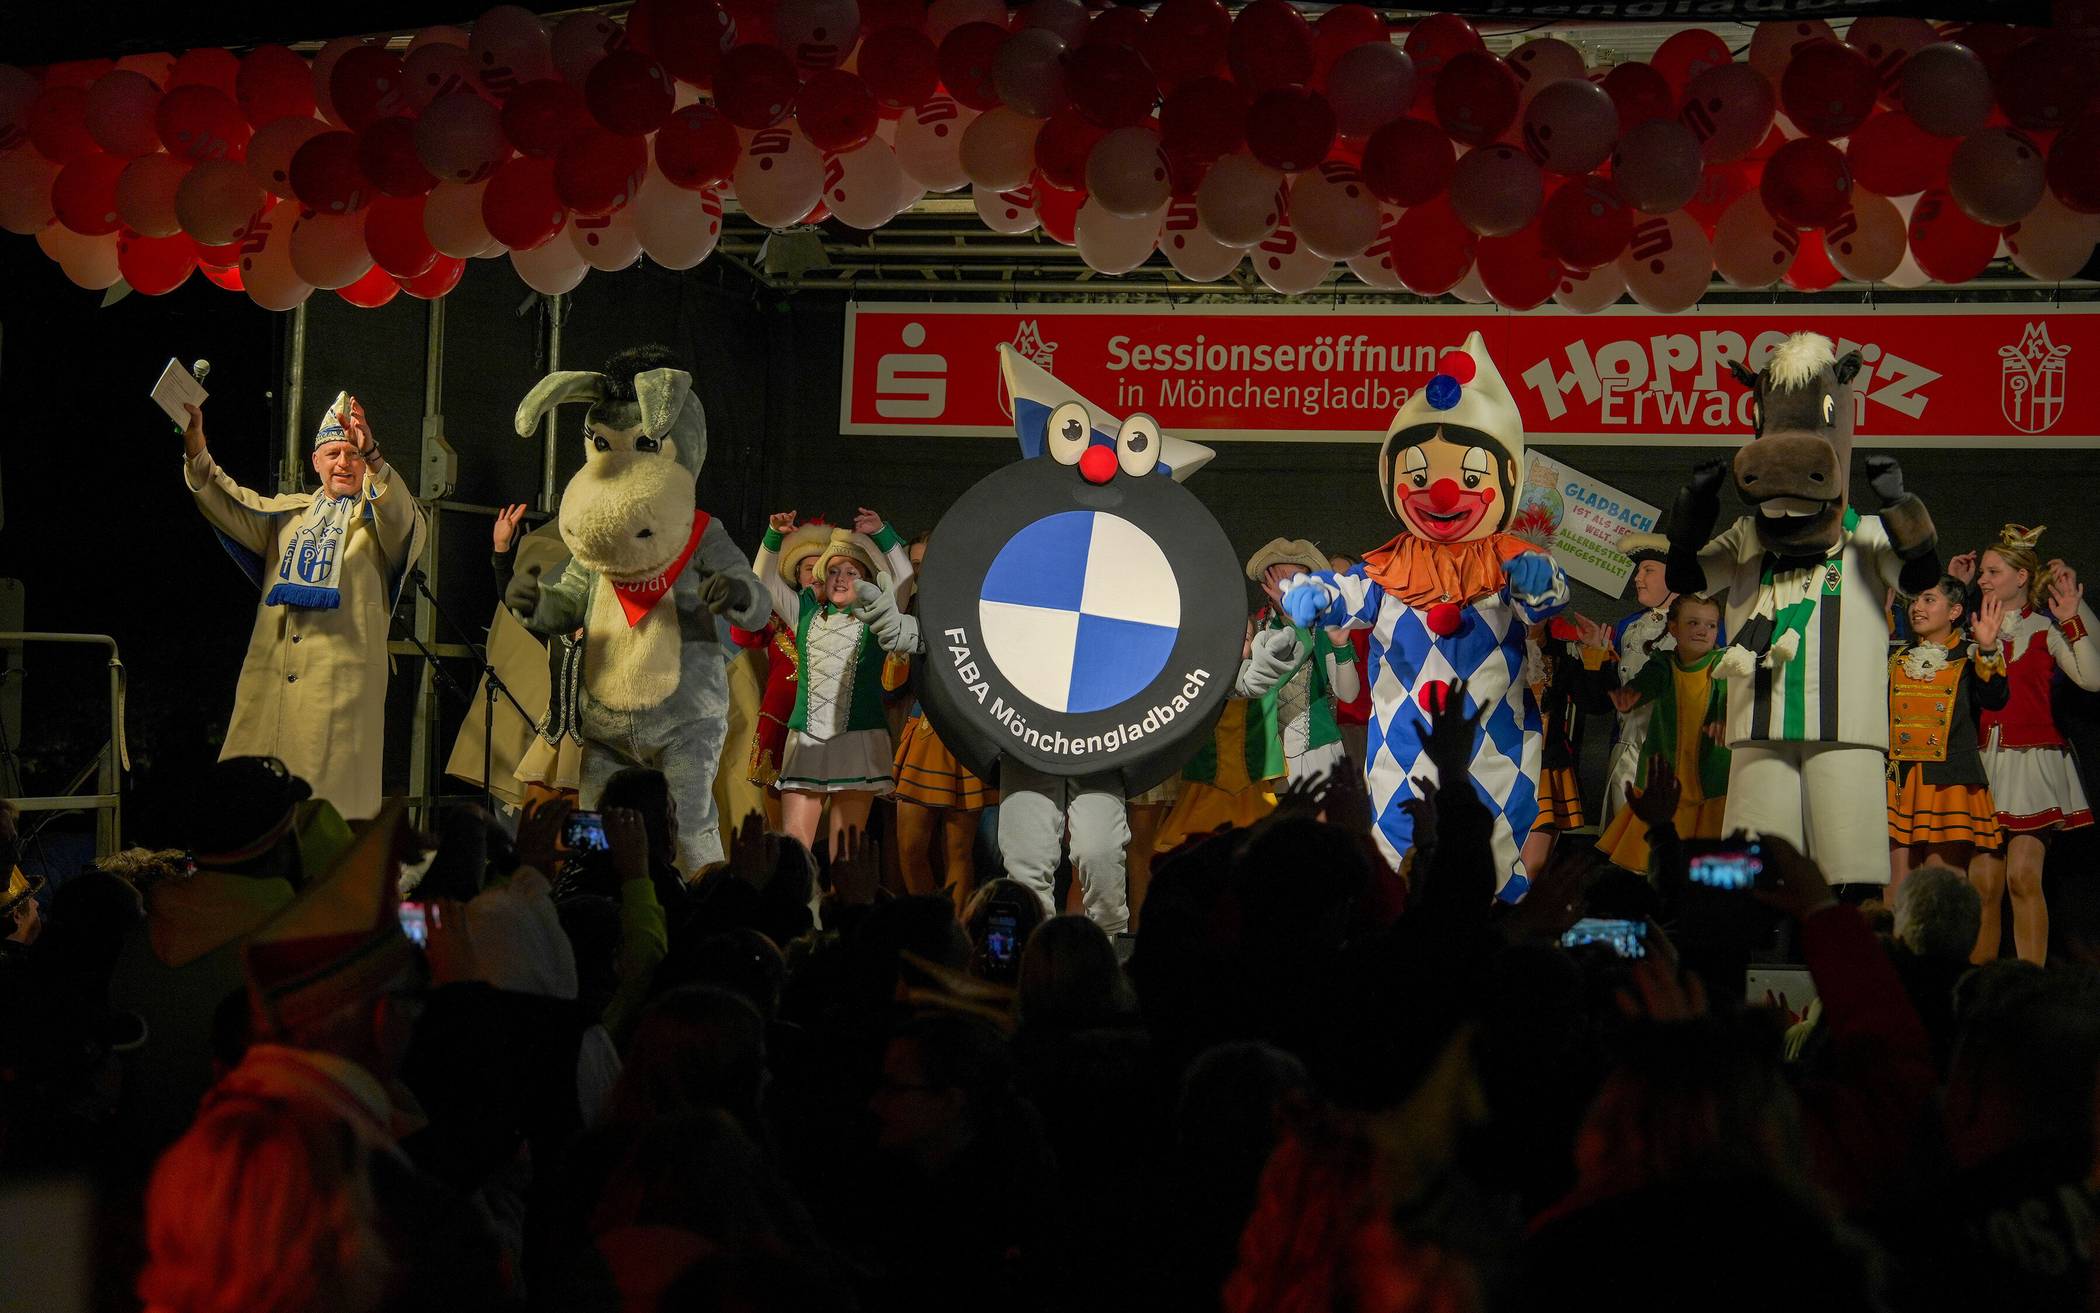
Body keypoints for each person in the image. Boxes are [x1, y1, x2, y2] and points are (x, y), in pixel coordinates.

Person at [1281, 333, 1572, 896]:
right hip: (1401, 748)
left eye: (1469, 478)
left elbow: (1546, 597)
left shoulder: (1510, 563)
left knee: (1489, 866)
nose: (1439, 493)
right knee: (1398, 867)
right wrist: (1312, 592)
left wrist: (1541, 580)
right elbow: (1342, 592)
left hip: (1495, 749)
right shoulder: (1387, 568)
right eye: (1417, 476)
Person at [180, 393, 427, 820]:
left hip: (339, 696)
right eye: (333, 453)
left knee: (324, 816)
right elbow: (227, 502)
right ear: (316, 462)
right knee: (254, 811)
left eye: (352, 454)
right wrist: (196, 448)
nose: (343, 463)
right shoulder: (288, 516)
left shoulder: (378, 521)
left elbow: (403, 518)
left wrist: (373, 454)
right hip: (271, 687)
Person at [1959, 525, 2100, 964]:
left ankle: (2030, 985)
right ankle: (1980, 987)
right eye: (1981, 572)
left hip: (2034, 762)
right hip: (1987, 761)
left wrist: (2073, 618)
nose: (1983, 579)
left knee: (2023, 877)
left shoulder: (2045, 631)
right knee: (1983, 885)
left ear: (2021, 578)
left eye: (1992, 571)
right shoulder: (1975, 629)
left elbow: (2093, 679)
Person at [751, 511, 913, 866]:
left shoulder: (878, 615)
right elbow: (761, 580)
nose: (840, 578)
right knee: (794, 849)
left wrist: (883, 533)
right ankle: (798, 915)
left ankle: (843, 916)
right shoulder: (805, 612)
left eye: (851, 572)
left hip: (857, 742)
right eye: (834, 570)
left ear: (868, 580)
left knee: (846, 854)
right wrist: (774, 535)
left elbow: (904, 578)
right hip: (806, 742)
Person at [884, 531, 996, 912]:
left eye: (929, 560)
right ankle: (930, 923)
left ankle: (954, 933)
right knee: (910, 848)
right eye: (916, 564)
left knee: (959, 849)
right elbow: (892, 682)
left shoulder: (976, 604)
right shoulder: (910, 606)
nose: (923, 570)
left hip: (967, 732)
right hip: (925, 728)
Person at [1885, 574, 2008, 893]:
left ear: (1954, 612)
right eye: (1914, 601)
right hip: (1902, 782)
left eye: (1928, 599)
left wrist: (1989, 647)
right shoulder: (1898, 658)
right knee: (1897, 892)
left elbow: (1995, 699)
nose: (1917, 608)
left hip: (1949, 781)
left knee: (1942, 890)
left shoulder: (1972, 655)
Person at [1596, 594, 1730, 873]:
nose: (1703, 630)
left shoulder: (1722, 664)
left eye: (1711, 625)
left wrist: (1725, 721)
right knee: (1655, 860)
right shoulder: (1663, 664)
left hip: (1710, 779)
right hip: (1668, 775)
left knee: (1703, 859)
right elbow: (1648, 682)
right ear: (1673, 628)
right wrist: (1631, 695)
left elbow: (1730, 699)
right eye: (1693, 622)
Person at [1243, 538, 1360, 789]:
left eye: (1296, 581)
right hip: (1267, 755)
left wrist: (1340, 646)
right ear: (1266, 583)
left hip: (1317, 751)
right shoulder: (1256, 630)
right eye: (1280, 578)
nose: (1287, 589)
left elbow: (1348, 695)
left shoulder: (1320, 629)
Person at [491, 502, 585, 803]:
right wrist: (502, 547)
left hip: (593, 749)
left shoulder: (611, 631)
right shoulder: (556, 628)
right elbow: (515, 603)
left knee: (583, 839)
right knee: (536, 831)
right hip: (553, 739)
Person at [1602, 532, 1678, 822]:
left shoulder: (1701, 626)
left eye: (1648, 570)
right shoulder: (1628, 627)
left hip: (1669, 752)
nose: (1637, 577)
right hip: (1626, 751)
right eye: (1637, 570)